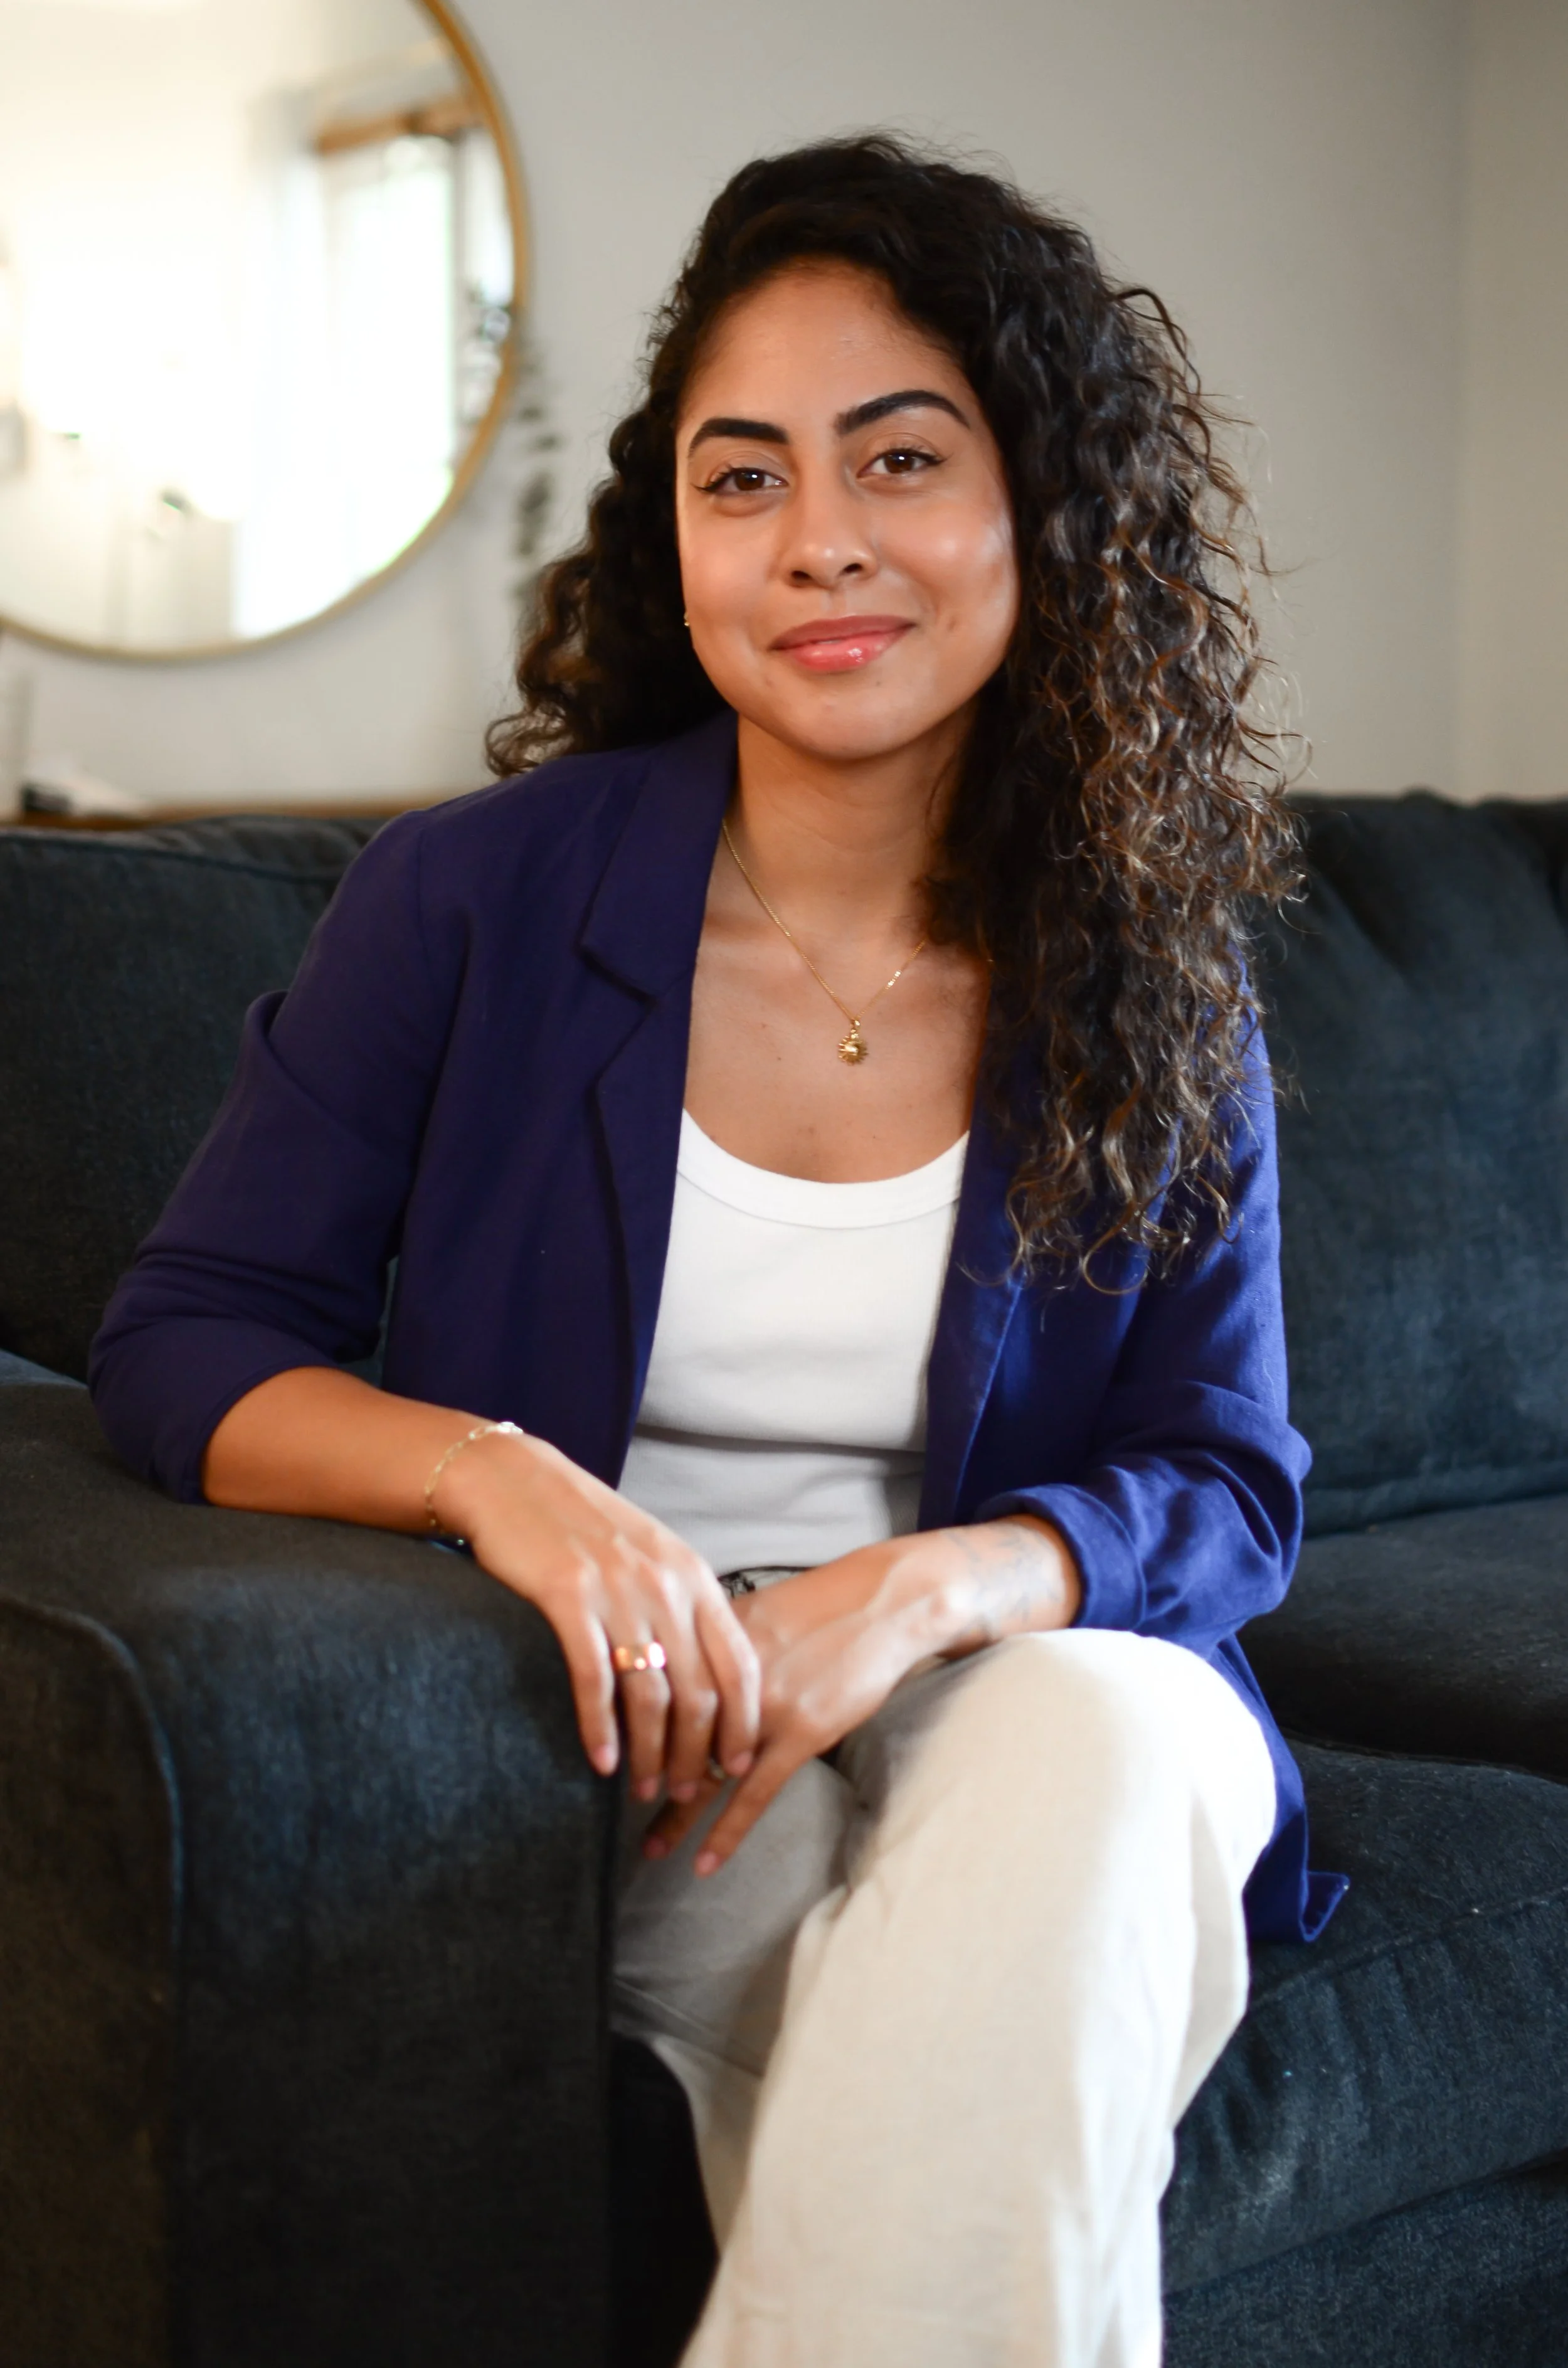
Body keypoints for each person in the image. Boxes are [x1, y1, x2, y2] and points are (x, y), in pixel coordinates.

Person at [91, 134, 1343, 2368]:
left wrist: (937, 1582)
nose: (821, 541)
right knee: (839, 1928)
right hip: (664, 1728)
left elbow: (1225, 1478)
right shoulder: (470, 901)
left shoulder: (1154, 968)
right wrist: (498, 1475)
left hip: (1028, 1691)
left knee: (1110, 1733)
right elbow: (190, 1337)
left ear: (1038, 513)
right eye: (740, 476)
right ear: (672, 538)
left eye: (900, 458)